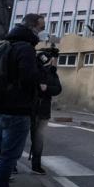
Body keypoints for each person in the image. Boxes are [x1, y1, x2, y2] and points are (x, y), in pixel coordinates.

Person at [0, 14, 47, 187]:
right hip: (16, 110)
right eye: (40, 28)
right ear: (32, 27)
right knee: (9, 156)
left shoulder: (3, 47)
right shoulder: (25, 49)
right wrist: (40, 75)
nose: (41, 33)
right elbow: (28, 77)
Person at [28, 42, 62, 174]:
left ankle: (36, 165)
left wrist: (46, 88)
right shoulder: (32, 71)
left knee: (38, 139)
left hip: (42, 111)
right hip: (29, 109)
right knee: (18, 138)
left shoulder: (51, 74)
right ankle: (12, 165)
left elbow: (58, 89)